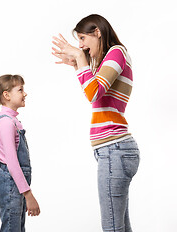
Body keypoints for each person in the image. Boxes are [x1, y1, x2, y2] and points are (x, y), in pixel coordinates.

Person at [52, 14, 140, 232]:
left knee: (111, 228)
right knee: (120, 227)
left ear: (97, 33)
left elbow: (93, 92)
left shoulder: (117, 52)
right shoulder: (111, 58)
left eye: (82, 38)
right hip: (113, 151)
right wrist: (76, 65)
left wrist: (80, 61)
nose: (80, 45)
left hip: (115, 150)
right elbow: (96, 91)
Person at [0, 74, 40, 232]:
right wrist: (29, 195)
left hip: (15, 184)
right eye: (20, 90)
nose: (25, 93)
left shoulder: (11, 120)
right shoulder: (7, 122)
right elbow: (13, 163)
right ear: (6, 95)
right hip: (11, 184)